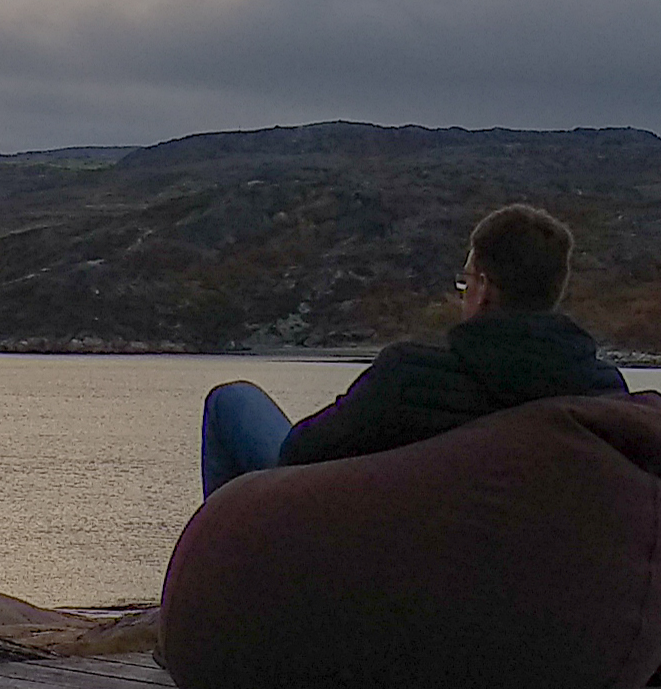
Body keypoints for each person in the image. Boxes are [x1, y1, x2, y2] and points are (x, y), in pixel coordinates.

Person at [198, 203, 627, 493]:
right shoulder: (602, 392)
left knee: (231, 403)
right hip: (515, 582)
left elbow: (300, 453)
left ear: (483, 289)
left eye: (466, 281)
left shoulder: (411, 378)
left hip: (392, 571)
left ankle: (214, 584)